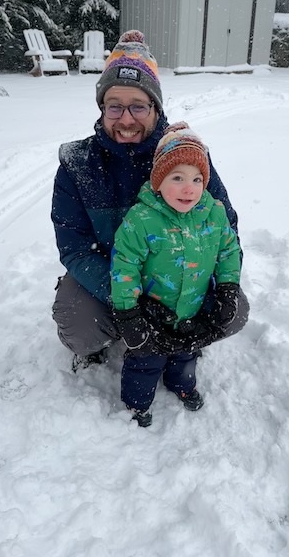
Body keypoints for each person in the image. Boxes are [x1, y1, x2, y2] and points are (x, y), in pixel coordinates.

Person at [51, 29, 249, 373]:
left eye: (138, 106)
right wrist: (131, 303)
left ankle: (183, 334)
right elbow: (75, 249)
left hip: (179, 272)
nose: (126, 119)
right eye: (115, 106)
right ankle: (110, 334)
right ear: (102, 109)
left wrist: (219, 289)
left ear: (156, 107)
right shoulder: (78, 164)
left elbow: (225, 229)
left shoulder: (185, 156)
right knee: (79, 323)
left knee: (235, 313)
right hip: (114, 276)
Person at [111, 126, 248, 427]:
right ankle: (137, 403)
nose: (189, 189)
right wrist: (128, 313)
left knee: (187, 353)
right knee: (146, 359)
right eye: (177, 178)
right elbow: (124, 266)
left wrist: (227, 288)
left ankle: (181, 384)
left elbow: (228, 251)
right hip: (153, 312)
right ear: (158, 181)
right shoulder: (141, 219)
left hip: (193, 309)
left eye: (197, 179)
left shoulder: (214, 213)